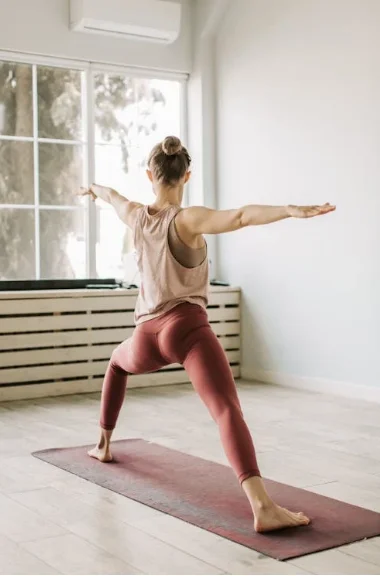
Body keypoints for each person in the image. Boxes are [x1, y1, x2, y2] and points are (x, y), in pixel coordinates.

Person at [76, 135, 335, 533]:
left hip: (145, 335)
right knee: (225, 408)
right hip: (186, 329)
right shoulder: (186, 219)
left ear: (151, 176)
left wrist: (92, 190)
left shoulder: (134, 214)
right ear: (187, 176)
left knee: (116, 363)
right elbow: (241, 216)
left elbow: (110, 194)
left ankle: (103, 446)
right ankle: (261, 506)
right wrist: (288, 210)